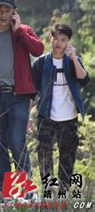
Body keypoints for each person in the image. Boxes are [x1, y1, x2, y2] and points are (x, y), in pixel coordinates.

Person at [0, 0, 44, 202]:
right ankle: (5, 190)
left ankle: (25, 186)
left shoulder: (23, 32)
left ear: (14, 12)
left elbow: (38, 49)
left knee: (17, 141)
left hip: (18, 96)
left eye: (7, 11)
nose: (3, 14)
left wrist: (18, 31)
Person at [32, 24, 90, 193]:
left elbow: (84, 79)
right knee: (44, 154)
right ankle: (48, 189)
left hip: (69, 117)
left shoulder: (73, 61)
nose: (58, 43)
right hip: (46, 115)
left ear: (68, 42)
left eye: (63, 40)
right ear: (50, 38)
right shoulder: (41, 63)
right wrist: (29, 115)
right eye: (56, 38)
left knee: (67, 156)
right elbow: (33, 91)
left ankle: (63, 190)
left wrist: (73, 57)